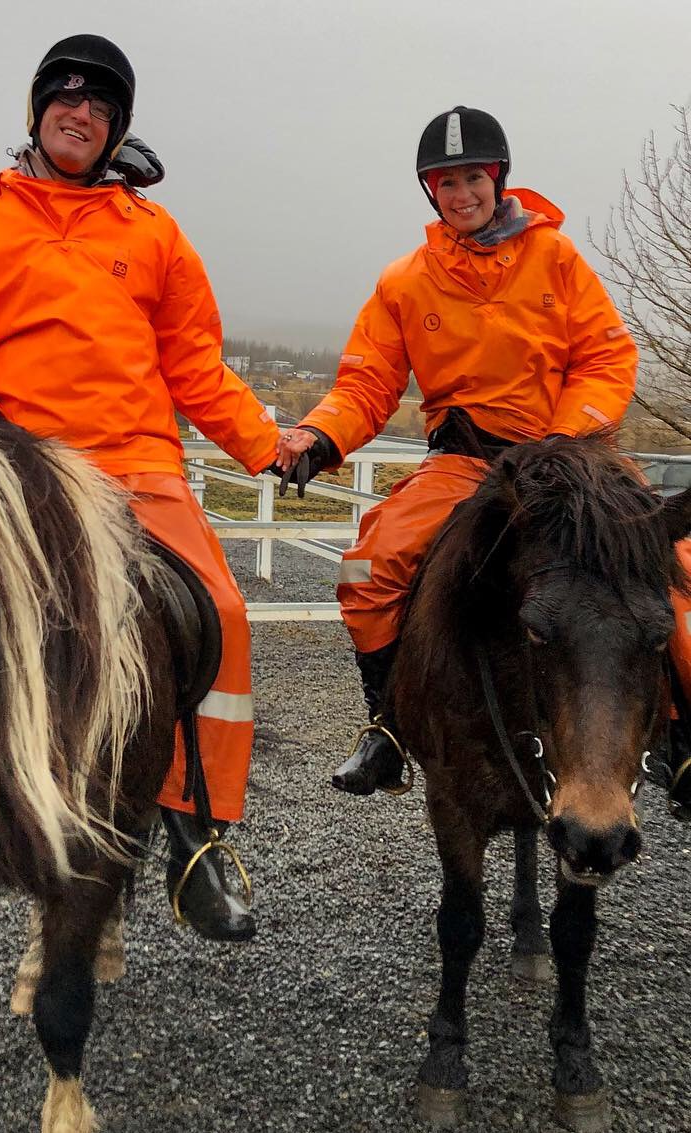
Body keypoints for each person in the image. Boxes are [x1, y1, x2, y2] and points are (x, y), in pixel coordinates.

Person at [0, 34, 286, 940]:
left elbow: (195, 365)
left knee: (221, 612)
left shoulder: (155, 234)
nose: (82, 114)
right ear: (37, 111)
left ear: (117, 130)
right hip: (12, 458)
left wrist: (270, 447)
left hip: (137, 461)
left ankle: (195, 831)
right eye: (66, 98)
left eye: (102, 107)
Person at [273, 105, 691, 798]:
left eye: (473, 178)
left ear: (498, 179)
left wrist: (564, 442)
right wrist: (319, 435)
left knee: (675, 568)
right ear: (430, 192)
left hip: (570, 457)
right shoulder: (405, 281)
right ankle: (387, 724)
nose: (462, 194)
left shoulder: (557, 258)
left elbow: (606, 356)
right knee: (369, 567)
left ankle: (680, 738)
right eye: (446, 182)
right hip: (467, 462)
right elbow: (368, 383)